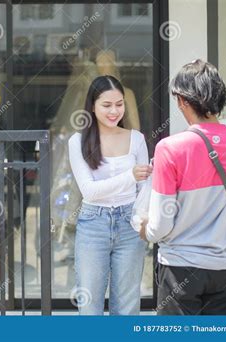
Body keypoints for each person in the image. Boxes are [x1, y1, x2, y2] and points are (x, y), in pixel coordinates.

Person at [139, 59, 226, 315]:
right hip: (224, 266)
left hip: (180, 267)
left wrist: (143, 228)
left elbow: (160, 227)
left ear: (182, 100)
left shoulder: (170, 148)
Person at [68, 75, 152, 315]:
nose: (114, 111)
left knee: (127, 304)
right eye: (107, 105)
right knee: (90, 303)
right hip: (93, 224)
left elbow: (143, 190)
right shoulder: (78, 141)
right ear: (92, 106)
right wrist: (130, 176)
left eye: (119, 104)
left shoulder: (136, 139)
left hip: (130, 224)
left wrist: (143, 221)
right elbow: (89, 191)